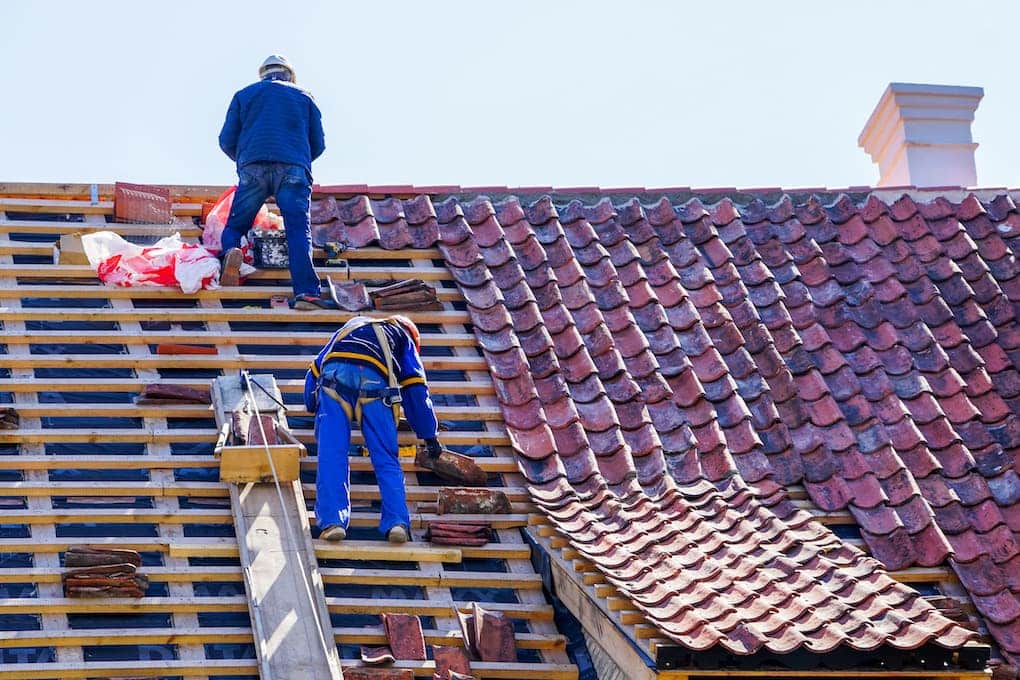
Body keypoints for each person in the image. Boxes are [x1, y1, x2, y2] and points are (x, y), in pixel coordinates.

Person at [304, 315, 445, 542]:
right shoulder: (403, 337)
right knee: (387, 459)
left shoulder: (348, 328)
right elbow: (416, 389)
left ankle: (332, 522)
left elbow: (314, 371)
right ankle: (397, 523)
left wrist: (313, 405)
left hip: (332, 383)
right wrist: (430, 436)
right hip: (375, 387)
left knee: (331, 455)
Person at [217, 54, 334, 309]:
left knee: (236, 226)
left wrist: (247, 161)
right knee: (297, 231)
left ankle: (230, 255)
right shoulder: (305, 97)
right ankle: (306, 293)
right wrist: (297, 163)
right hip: (294, 169)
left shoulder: (244, 95)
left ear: (263, 74)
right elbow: (319, 144)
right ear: (290, 74)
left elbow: (226, 140)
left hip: (253, 167)